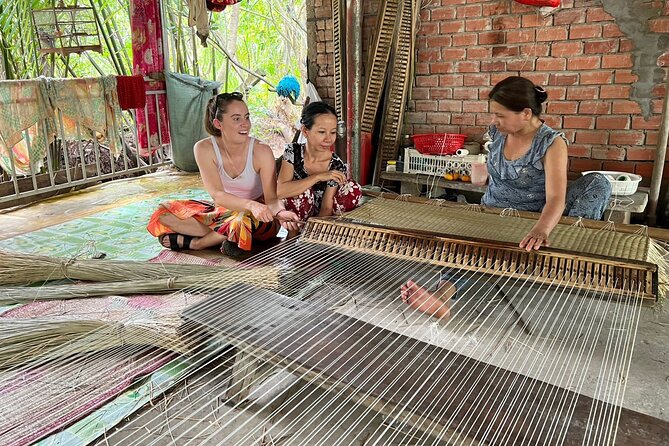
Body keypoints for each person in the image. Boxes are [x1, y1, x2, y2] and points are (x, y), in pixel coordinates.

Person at [400, 76, 612, 320]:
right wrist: (483, 173)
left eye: (500, 115)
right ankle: (441, 296)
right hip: (494, 213)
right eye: (494, 114)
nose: (494, 121)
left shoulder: (551, 144)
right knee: (468, 248)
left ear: (525, 113)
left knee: (598, 183)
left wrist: (541, 229)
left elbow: (556, 198)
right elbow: (498, 171)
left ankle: (571, 260)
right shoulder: (498, 134)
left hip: (531, 219)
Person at [147, 92, 300, 255]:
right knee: (162, 214)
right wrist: (249, 205)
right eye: (236, 119)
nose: (245, 124)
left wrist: (280, 213)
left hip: (259, 218)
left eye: (247, 117)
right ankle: (226, 235)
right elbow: (217, 195)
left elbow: (272, 200)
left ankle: (199, 243)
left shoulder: (261, 151)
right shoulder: (204, 149)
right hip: (224, 211)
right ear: (218, 123)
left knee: (242, 220)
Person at [277, 101, 361, 230]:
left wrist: (313, 232)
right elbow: (280, 191)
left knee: (351, 188)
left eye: (333, 132)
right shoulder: (292, 152)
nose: (328, 139)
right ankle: (292, 234)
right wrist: (318, 177)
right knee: (299, 190)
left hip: (323, 219)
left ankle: (326, 234)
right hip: (296, 216)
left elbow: (326, 208)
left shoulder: (336, 165)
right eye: (322, 132)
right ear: (305, 131)